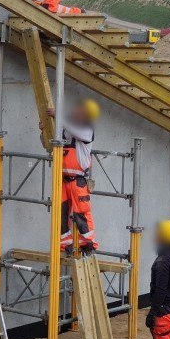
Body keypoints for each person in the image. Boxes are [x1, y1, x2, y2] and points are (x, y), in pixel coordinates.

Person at [44, 98, 100, 253]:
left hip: (77, 181)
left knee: (81, 212)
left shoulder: (87, 130)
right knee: (61, 212)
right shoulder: (67, 128)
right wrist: (45, 130)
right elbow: (49, 145)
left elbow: (74, 130)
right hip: (61, 179)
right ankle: (65, 243)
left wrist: (58, 117)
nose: (76, 112)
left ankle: (88, 244)